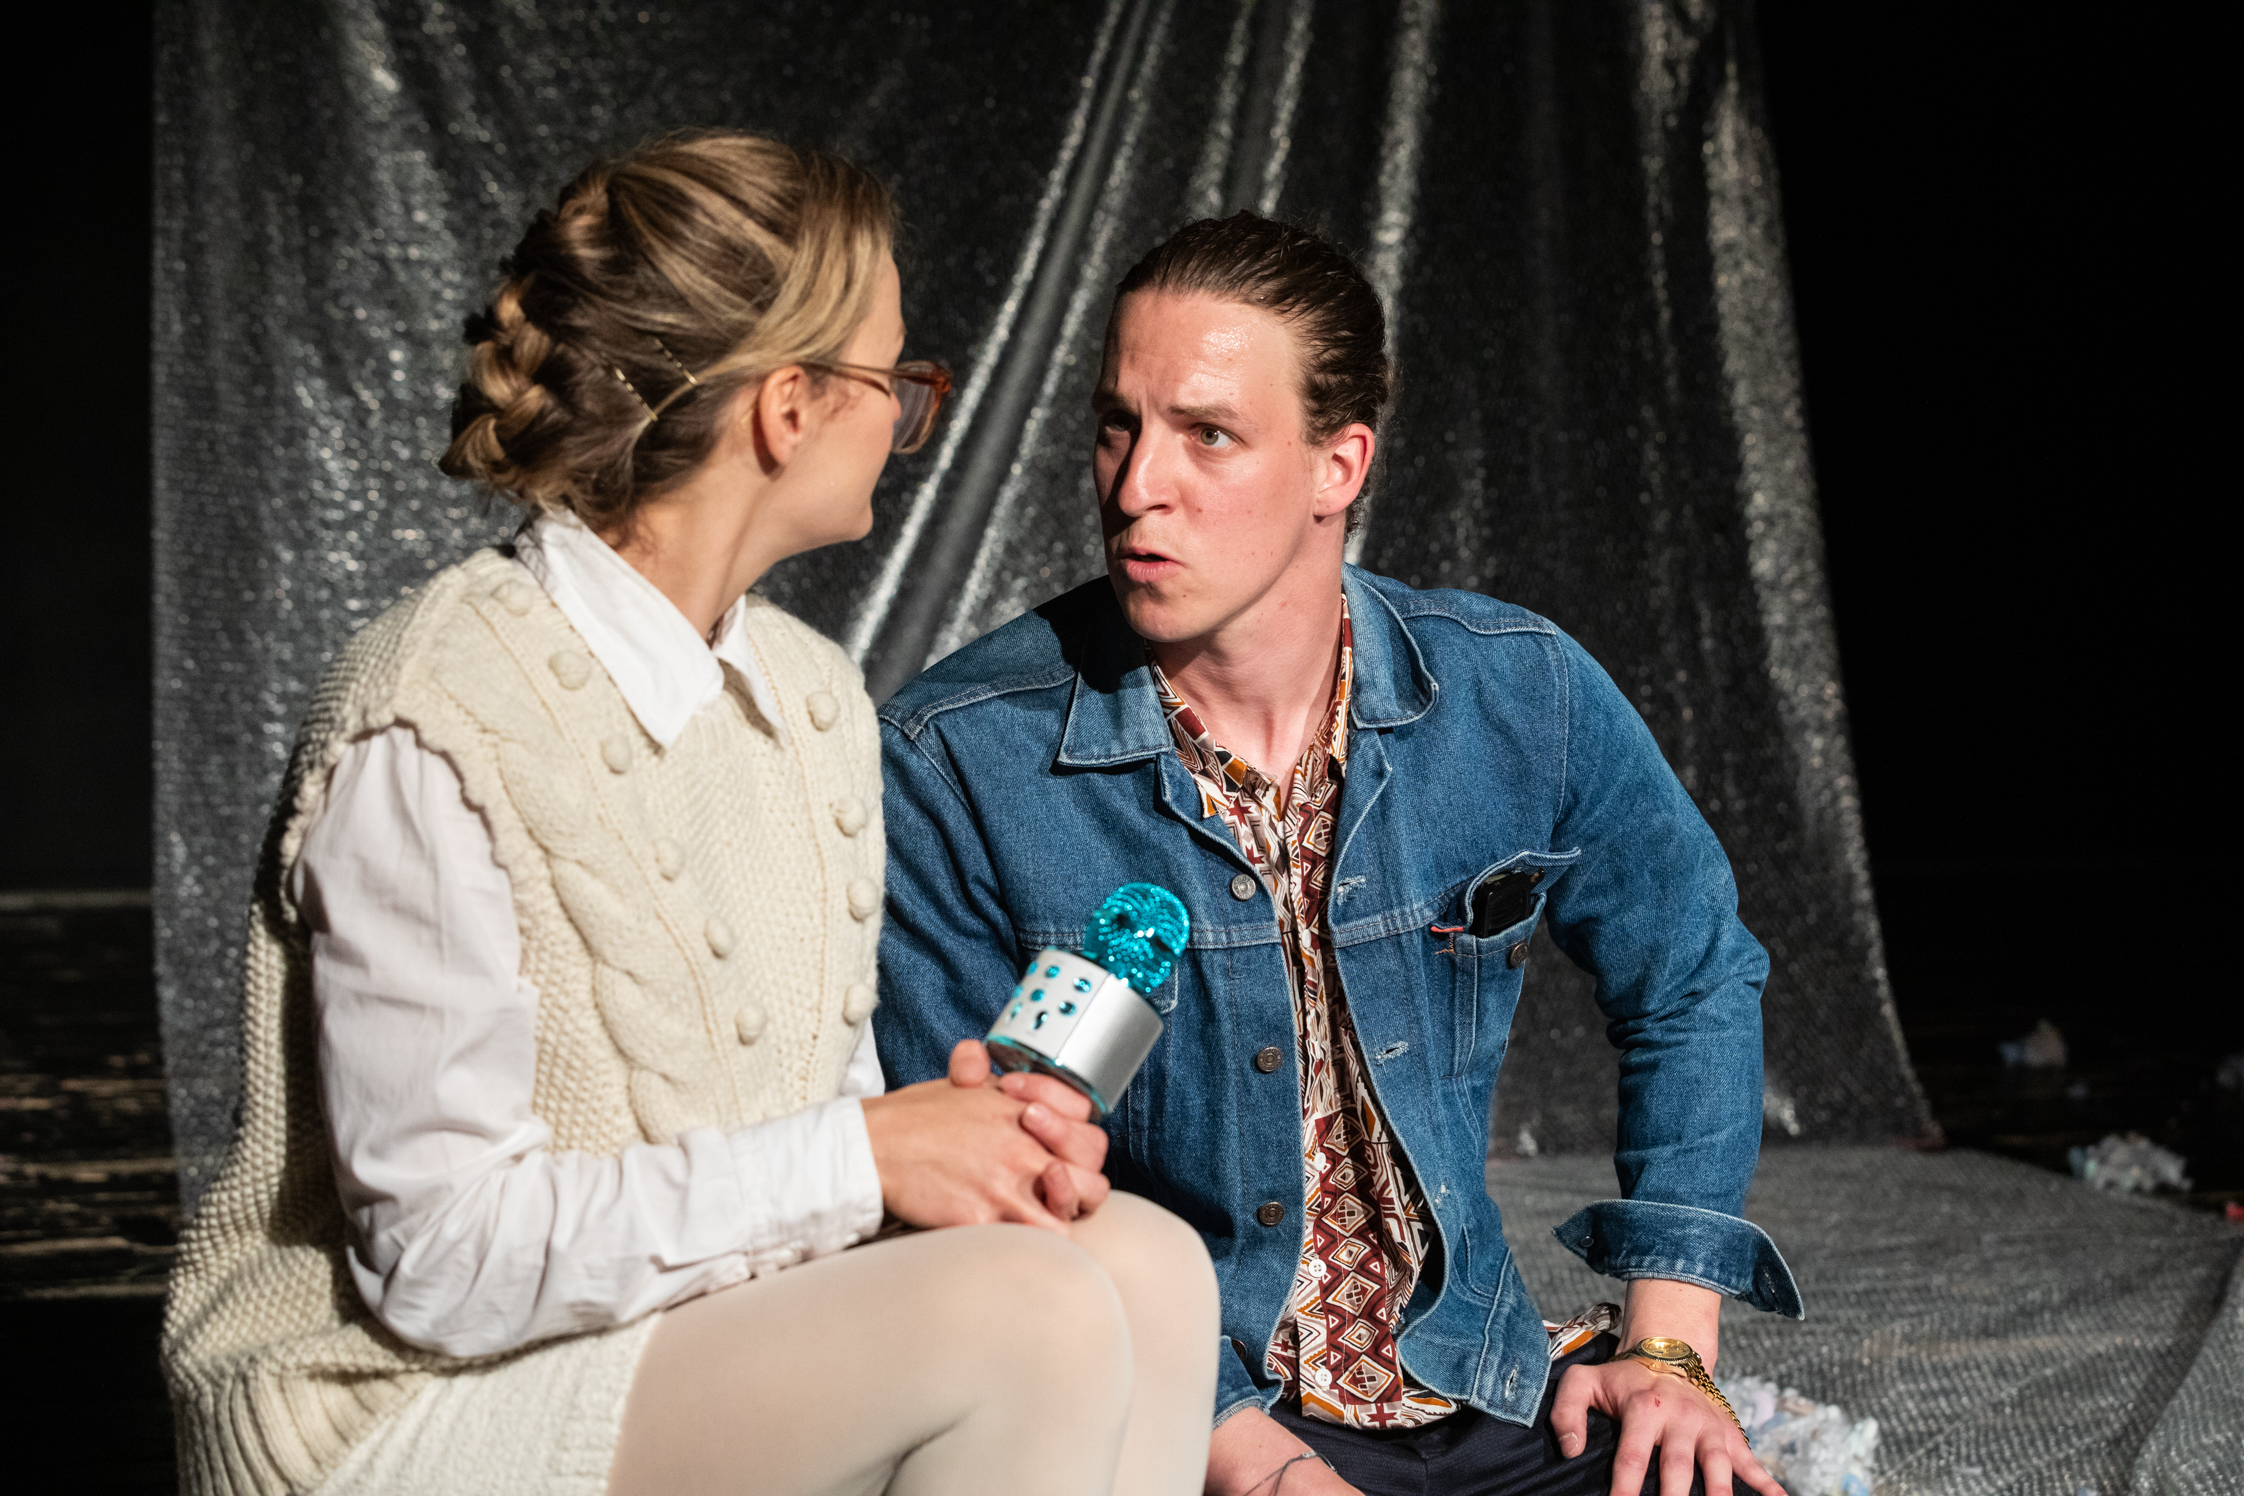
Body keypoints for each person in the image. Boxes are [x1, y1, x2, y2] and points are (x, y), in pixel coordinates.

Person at [161, 131, 1219, 1496]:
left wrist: (948, 1155)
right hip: (399, 1406)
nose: (908, 417)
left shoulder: (811, 697)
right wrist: (861, 1160)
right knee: (1032, 1315)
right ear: (787, 408)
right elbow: (437, 1263)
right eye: (895, 380)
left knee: (1143, 1263)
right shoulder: (436, 714)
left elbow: (810, 1140)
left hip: (675, 1343)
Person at [875, 212, 1805, 1496]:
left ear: (1339, 464)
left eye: (1208, 434)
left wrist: (1667, 1344)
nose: (1136, 486)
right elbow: (978, 1188)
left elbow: (1693, 970)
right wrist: (1259, 1468)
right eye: (1116, 426)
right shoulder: (958, 758)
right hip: (1183, 1414)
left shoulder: (1516, 692)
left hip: (1480, 1382)